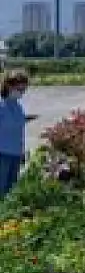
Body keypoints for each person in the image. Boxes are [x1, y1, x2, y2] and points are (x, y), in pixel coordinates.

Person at [0, 70, 36, 201]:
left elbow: (17, 126)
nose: (22, 92)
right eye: (19, 88)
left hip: (15, 153)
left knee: (11, 191)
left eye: (23, 89)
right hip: (2, 154)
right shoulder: (1, 105)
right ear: (9, 85)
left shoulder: (18, 106)